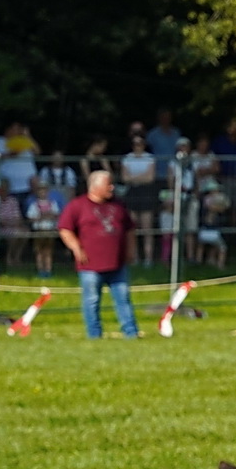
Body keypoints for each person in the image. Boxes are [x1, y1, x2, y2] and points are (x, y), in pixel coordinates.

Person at [58, 170, 140, 339]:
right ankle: (94, 334)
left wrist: (131, 250)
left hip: (117, 263)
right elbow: (65, 229)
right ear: (95, 187)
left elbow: (130, 229)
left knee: (123, 298)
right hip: (90, 264)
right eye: (108, 184)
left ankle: (131, 332)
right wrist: (76, 248)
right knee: (92, 300)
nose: (112, 187)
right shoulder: (77, 205)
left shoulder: (118, 205)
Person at [119, 134, 158, 265]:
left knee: (147, 227)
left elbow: (150, 178)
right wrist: (141, 177)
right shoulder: (127, 159)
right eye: (135, 144)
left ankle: (148, 258)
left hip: (146, 192)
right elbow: (125, 178)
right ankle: (134, 258)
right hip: (132, 192)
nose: (138, 146)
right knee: (132, 228)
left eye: (140, 143)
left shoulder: (149, 158)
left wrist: (134, 177)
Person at [25, 178, 66, 277]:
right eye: (40, 191)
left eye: (45, 190)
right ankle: (40, 269)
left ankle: (48, 269)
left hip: (49, 229)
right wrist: (40, 217)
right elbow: (30, 217)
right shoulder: (34, 204)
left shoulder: (52, 204)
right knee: (39, 251)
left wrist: (49, 215)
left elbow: (57, 214)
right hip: (39, 230)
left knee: (48, 251)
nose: (43, 193)